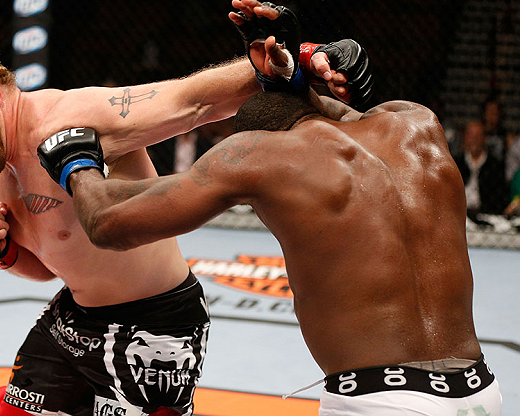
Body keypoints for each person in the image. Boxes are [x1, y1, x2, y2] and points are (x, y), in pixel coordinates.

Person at [0, 0, 366, 416]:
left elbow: (191, 101)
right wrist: (3, 254)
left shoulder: (72, 117)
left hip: (155, 327)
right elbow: (52, 263)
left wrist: (300, 59)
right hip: (75, 319)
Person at [52, 35, 503, 415]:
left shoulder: (259, 155)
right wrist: (307, 63)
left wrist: (76, 164)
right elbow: (346, 115)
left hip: (383, 401)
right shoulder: (418, 123)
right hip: (481, 388)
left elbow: (109, 222)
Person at [454, 120, 508, 217]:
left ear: (485, 138)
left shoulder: (495, 166)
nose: (474, 139)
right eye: (470, 135)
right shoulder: (455, 164)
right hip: (458, 216)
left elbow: (499, 199)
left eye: (478, 136)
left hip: (486, 216)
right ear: (465, 138)